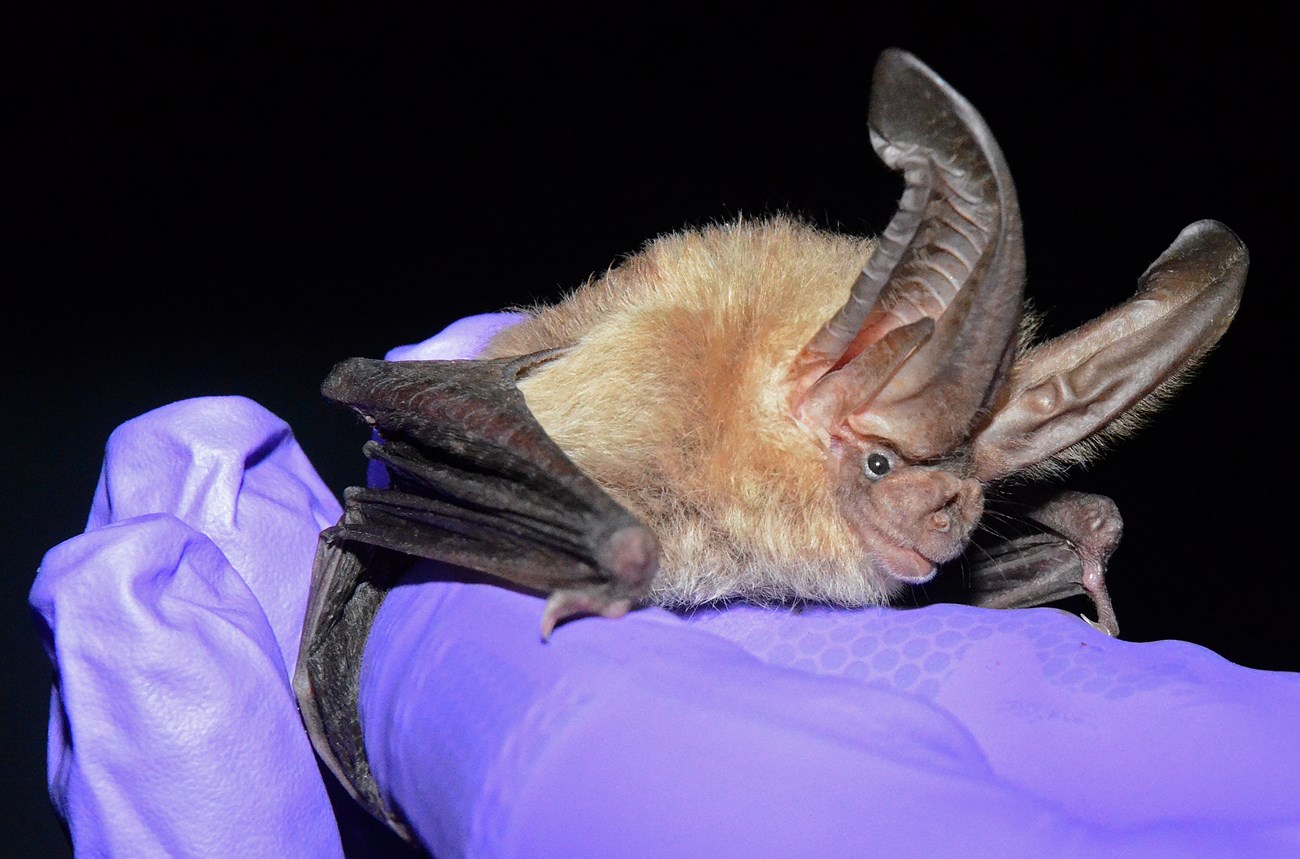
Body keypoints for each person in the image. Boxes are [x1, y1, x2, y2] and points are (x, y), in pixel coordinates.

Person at [31, 315, 1300, 857]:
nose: (940, 525)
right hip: (595, 496)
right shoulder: (726, 455)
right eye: (896, 472)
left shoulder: (915, 518)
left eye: (958, 498)